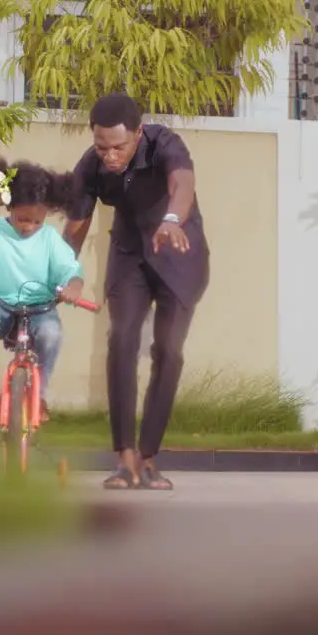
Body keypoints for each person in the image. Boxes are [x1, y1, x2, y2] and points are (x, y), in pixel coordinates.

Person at [64, 92, 210, 491]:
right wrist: (63, 272)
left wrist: (171, 219)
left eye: (118, 147)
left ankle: (149, 457)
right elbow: (76, 224)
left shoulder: (165, 144)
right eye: (101, 147)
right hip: (129, 253)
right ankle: (124, 457)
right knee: (122, 339)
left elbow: (182, 184)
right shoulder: (91, 166)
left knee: (168, 349)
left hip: (178, 250)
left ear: (138, 133)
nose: (110, 156)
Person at [0, 156, 86, 444]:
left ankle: (39, 396)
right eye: (22, 219)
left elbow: (69, 269)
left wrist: (73, 286)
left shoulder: (50, 238)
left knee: (52, 334)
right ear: (9, 206)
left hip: (41, 307)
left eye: (37, 221)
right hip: (1, 304)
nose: (29, 226)